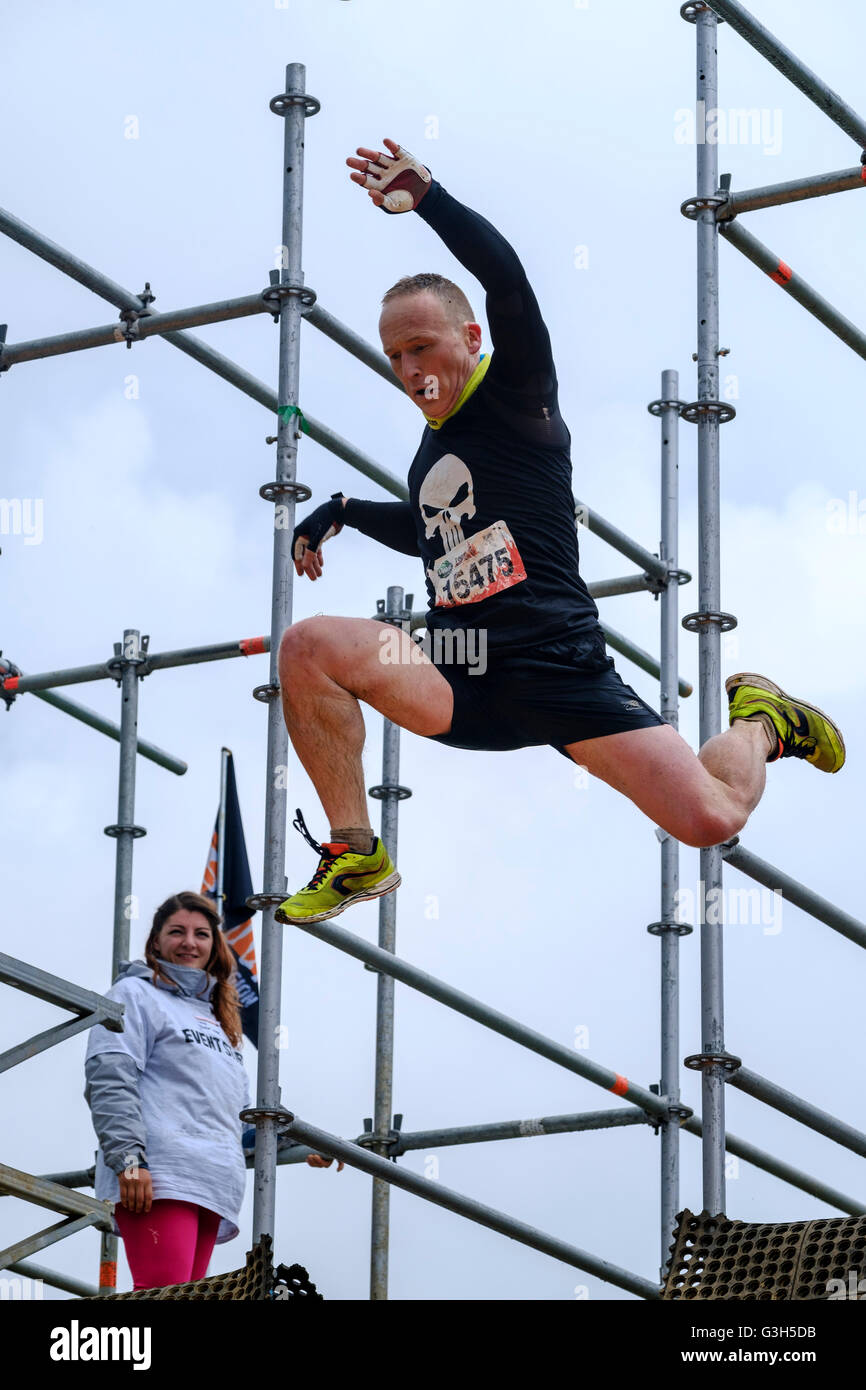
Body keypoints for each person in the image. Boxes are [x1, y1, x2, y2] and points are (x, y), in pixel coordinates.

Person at [273, 139, 845, 928]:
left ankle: (761, 718)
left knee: (712, 819)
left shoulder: (518, 393)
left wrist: (430, 198)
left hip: (556, 667)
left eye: (422, 345)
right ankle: (354, 852)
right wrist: (343, 511)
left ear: (470, 340)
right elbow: (434, 535)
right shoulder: (432, 452)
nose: (409, 367)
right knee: (308, 646)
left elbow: (507, 281)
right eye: (395, 354)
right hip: (459, 667)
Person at [84, 891, 340, 1292]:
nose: (189, 942)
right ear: (155, 942)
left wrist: (296, 1144)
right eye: (177, 931)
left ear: (213, 945)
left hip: (213, 1182)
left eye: (201, 933)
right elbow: (110, 1077)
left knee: (186, 1295)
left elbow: (236, 1120)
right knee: (163, 1293)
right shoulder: (134, 994)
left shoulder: (218, 1018)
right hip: (160, 1174)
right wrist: (129, 1159)